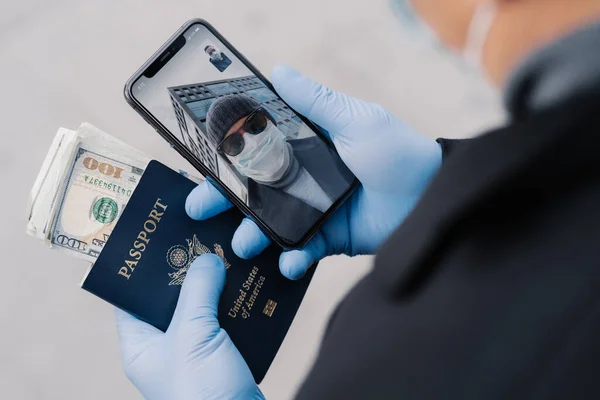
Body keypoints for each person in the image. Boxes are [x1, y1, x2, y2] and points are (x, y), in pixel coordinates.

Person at [116, 0, 600, 398]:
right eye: (234, 145)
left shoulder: (382, 360)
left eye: (257, 125)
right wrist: (442, 190)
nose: (253, 144)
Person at [204, 93, 355, 243]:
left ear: (270, 120)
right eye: (234, 144)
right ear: (229, 160)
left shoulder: (330, 144)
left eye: (254, 124)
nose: (252, 142)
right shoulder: (260, 223)